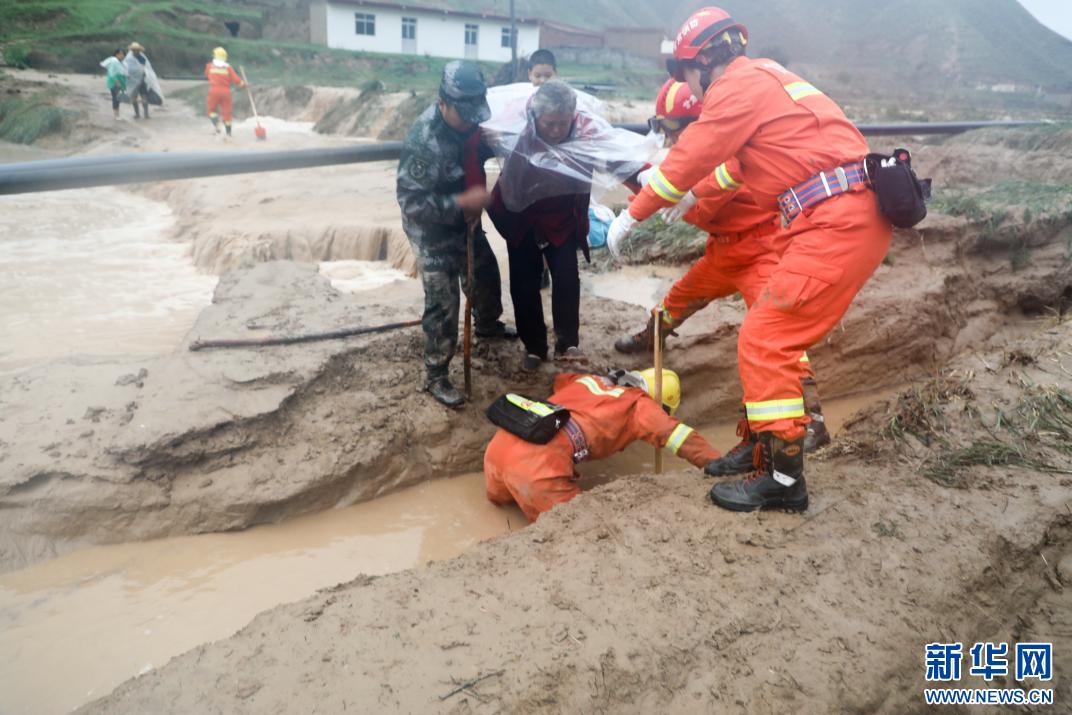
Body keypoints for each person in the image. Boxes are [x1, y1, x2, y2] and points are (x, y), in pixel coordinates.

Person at [607, 7, 892, 512]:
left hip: (830, 221)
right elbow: (733, 169)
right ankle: (762, 446)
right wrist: (693, 195)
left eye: (685, 74)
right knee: (758, 334)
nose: (690, 88)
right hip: (828, 217)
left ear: (702, 61)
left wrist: (634, 212)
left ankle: (784, 479)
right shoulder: (763, 81)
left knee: (767, 338)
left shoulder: (736, 87)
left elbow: (693, 156)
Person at [614, 79, 831, 469]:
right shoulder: (694, 154)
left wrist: (652, 191)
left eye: (674, 126)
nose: (669, 137)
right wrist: (643, 182)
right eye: (662, 127)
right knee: (677, 300)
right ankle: (651, 336)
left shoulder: (730, 153)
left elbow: (702, 207)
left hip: (761, 249)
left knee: (776, 333)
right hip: (724, 250)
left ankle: (812, 420)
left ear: (698, 121)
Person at [396, 61, 516, 408]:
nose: (471, 121)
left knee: (485, 273)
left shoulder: (471, 126)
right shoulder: (424, 141)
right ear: (442, 103)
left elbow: (478, 152)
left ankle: (488, 325)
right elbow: (412, 203)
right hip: (431, 228)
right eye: (464, 115)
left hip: (465, 219)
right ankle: (436, 374)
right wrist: (461, 202)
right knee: (444, 300)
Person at [485, 368, 721, 521]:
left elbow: (561, 379)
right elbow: (679, 436)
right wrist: (719, 464)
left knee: (502, 506)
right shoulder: (640, 405)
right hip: (536, 469)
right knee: (578, 527)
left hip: (500, 447)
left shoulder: (590, 380)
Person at [487, 80, 592, 372]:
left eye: (562, 124)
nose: (556, 130)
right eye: (549, 124)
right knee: (523, 282)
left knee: (567, 277)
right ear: (535, 117)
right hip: (520, 214)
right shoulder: (515, 131)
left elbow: (617, 157)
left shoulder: (585, 133)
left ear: (572, 117)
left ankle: (567, 344)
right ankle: (534, 346)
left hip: (561, 216)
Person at [204, 47, 245, 139]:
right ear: (225, 57)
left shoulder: (209, 66)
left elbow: (206, 74)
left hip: (214, 91)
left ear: (214, 56)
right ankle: (228, 134)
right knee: (227, 113)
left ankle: (217, 124)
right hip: (226, 92)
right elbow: (236, 80)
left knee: (211, 110)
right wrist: (243, 84)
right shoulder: (228, 68)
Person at [123, 42, 154, 119]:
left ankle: (143, 114)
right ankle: (141, 114)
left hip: (138, 80)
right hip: (136, 80)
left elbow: (141, 69)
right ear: (132, 50)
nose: (136, 51)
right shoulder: (137, 58)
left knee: (141, 97)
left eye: (136, 50)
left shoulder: (132, 58)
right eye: (134, 50)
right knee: (138, 97)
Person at [100, 48, 127, 121]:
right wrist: (116, 81)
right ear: (116, 54)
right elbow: (112, 72)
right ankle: (116, 115)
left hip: (118, 82)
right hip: (115, 82)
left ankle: (117, 115)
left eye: (123, 54)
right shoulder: (114, 61)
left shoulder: (121, 62)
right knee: (116, 98)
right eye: (120, 54)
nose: (122, 56)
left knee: (117, 98)